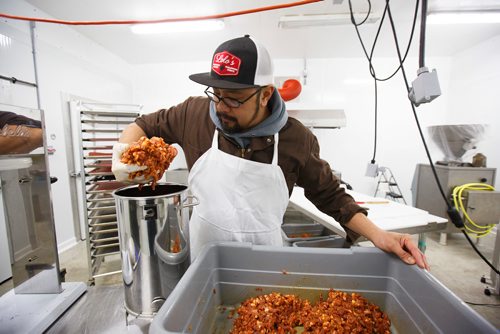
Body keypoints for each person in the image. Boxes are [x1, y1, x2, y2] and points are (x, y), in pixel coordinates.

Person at [112, 35, 429, 269]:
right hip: (203, 261)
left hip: (266, 264)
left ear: (265, 95)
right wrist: (123, 155)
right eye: (216, 94)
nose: (221, 107)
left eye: (234, 98)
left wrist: (379, 235)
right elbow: (142, 125)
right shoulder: (193, 114)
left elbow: (332, 197)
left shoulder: (296, 139)